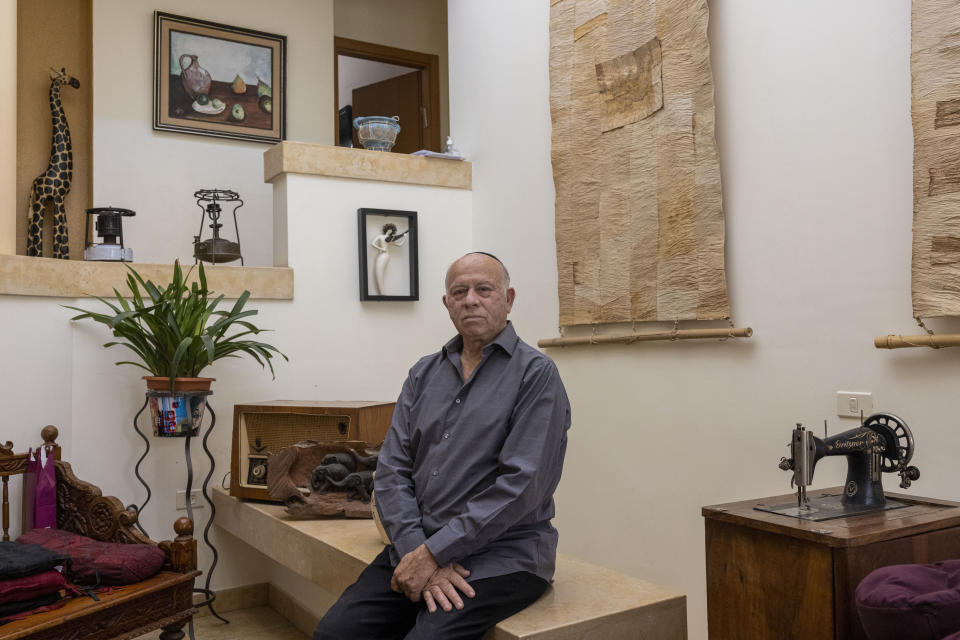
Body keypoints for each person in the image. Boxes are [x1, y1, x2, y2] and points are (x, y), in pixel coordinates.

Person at [314, 252, 571, 640]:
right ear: (447, 303)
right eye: (459, 291)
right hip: (418, 544)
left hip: (503, 556)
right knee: (335, 633)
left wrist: (435, 555)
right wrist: (418, 550)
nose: (471, 299)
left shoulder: (536, 375)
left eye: (484, 289)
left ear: (509, 298)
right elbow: (392, 470)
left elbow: (524, 485)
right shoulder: (423, 373)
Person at [371, 223, 408, 295]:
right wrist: (381, 248)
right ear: (386, 229)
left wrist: (405, 237)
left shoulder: (390, 239)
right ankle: (382, 293)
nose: (390, 232)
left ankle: (383, 294)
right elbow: (373, 243)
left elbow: (399, 244)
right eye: (389, 230)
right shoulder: (380, 236)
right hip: (381, 254)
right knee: (378, 272)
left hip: (386, 255)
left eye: (391, 231)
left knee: (380, 272)